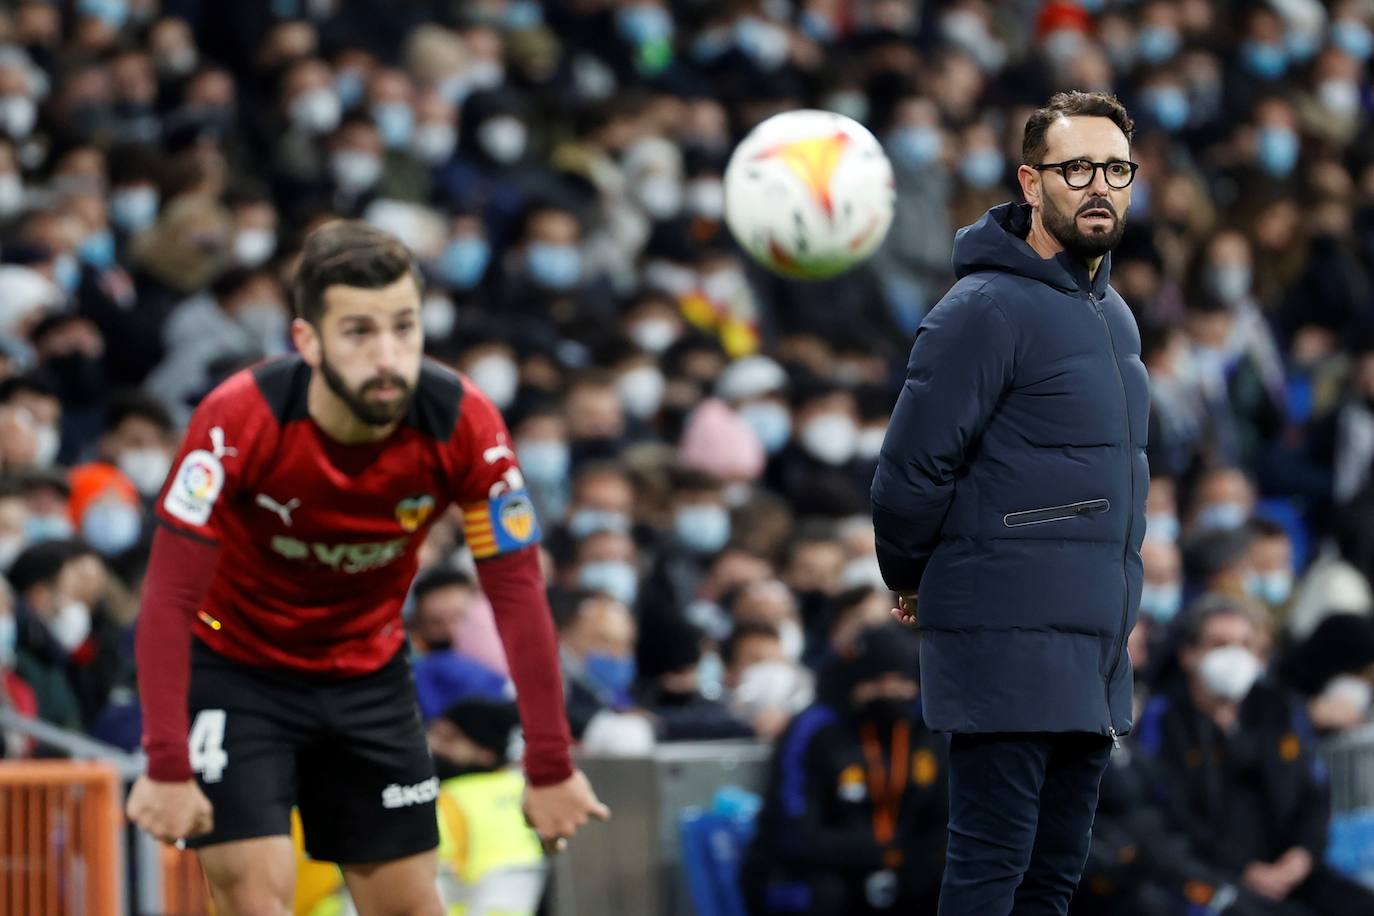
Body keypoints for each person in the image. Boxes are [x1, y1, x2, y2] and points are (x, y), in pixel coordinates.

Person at [125, 221, 608, 916]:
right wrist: (167, 763)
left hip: (367, 676)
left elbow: (517, 596)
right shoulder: (239, 419)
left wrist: (551, 764)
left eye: (404, 328)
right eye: (358, 332)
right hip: (237, 671)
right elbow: (169, 596)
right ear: (308, 341)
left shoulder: (462, 421)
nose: (388, 356)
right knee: (256, 901)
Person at [871, 91, 1149, 915]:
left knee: (1053, 878)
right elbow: (909, 470)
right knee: (992, 872)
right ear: (1032, 182)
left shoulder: (1116, 315)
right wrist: (912, 575)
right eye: (1076, 169)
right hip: (1004, 633)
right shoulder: (983, 308)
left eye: (1116, 169)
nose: (1099, 185)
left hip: (1093, 640)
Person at [1135, 597, 1374, 915]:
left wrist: (1302, 855)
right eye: (1220, 644)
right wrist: (1244, 869)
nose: (1235, 655)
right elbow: (1171, 813)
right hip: (1211, 875)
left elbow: (1314, 792)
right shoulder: (1164, 718)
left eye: (1245, 645)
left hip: (1292, 869)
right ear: (1189, 654)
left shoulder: (1279, 707)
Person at [743, 623, 947, 914]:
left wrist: (904, 856)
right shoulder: (814, 731)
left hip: (902, 864)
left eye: (900, 681)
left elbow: (944, 821)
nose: (889, 690)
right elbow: (794, 832)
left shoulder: (926, 731)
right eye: (877, 681)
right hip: (823, 871)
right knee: (826, 893)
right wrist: (881, 851)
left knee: (940, 881)